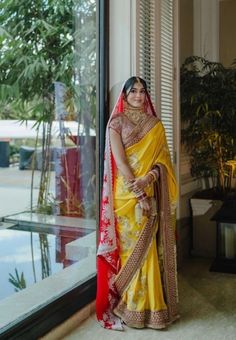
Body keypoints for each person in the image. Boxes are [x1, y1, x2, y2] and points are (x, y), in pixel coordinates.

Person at [96, 76, 179, 330]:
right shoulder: (116, 124)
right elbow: (120, 163)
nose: (139, 96)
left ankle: (153, 309)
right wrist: (139, 193)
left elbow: (163, 162)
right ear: (124, 95)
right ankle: (131, 305)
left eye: (143, 91)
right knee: (131, 251)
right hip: (126, 195)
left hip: (149, 187)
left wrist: (148, 181)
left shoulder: (156, 125)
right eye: (133, 91)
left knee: (149, 251)